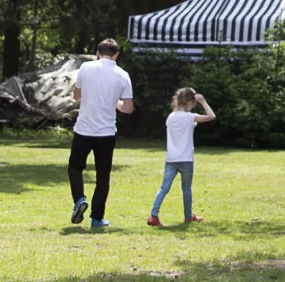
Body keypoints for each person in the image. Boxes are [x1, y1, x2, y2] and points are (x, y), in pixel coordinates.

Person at [68, 38, 134, 229]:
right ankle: (97, 218)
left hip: (83, 129)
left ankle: (79, 199)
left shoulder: (86, 68)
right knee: (102, 176)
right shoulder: (123, 75)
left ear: (97, 53)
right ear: (116, 55)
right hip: (106, 133)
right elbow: (128, 108)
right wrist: (114, 102)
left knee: (75, 167)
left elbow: (77, 96)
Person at [147, 88, 216, 227]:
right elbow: (211, 116)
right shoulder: (190, 117)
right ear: (190, 102)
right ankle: (187, 216)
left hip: (171, 159)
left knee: (164, 187)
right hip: (186, 159)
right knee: (186, 188)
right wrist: (203, 102)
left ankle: (153, 215)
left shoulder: (171, 117)